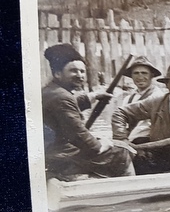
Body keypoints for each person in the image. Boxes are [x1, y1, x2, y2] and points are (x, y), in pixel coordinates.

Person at [42, 44, 134, 180]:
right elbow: (79, 135)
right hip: (62, 157)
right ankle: (130, 190)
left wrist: (93, 96)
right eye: (73, 71)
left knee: (114, 145)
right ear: (57, 73)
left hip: (53, 152)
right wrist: (100, 145)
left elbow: (67, 108)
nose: (80, 75)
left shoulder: (52, 91)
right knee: (121, 151)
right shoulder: (61, 97)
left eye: (82, 71)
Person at [118, 55, 166, 144]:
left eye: (144, 73)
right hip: (132, 139)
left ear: (152, 75)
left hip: (149, 140)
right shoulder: (128, 99)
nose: (140, 77)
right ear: (131, 76)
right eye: (136, 73)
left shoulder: (158, 96)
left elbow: (145, 127)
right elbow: (122, 121)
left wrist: (127, 141)